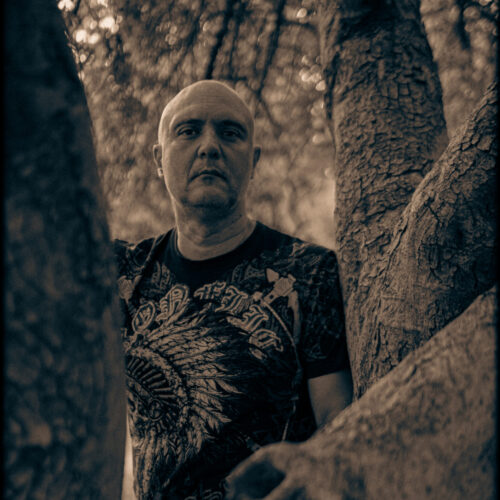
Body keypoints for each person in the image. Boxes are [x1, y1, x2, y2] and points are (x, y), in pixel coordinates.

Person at [114, 80, 353, 500]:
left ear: (253, 160)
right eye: (188, 131)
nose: (209, 147)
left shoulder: (309, 273)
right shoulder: (122, 276)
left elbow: (336, 426)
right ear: (158, 158)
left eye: (230, 133)